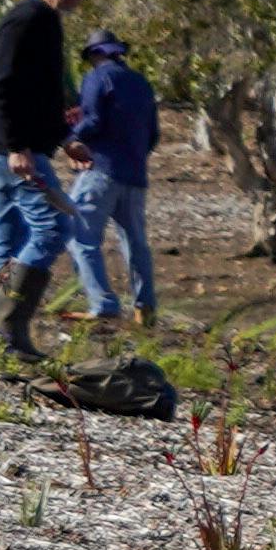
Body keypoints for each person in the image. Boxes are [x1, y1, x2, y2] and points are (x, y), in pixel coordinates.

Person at [0, 0, 87, 361]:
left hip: (9, 149)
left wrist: (65, 138)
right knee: (55, 227)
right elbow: (0, 87)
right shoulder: (27, 20)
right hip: (8, 152)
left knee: (10, 236)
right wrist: (16, 146)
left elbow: (42, 95)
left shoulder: (46, 22)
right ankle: (9, 334)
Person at [70, 28, 163, 327]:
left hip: (102, 169)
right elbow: (153, 134)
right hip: (135, 173)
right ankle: (145, 306)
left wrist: (70, 136)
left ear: (95, 55)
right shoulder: (141, 83)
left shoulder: (97, 78)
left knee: (79, 236)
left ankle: (102, 303)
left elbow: (94, 120)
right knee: (135, 242)